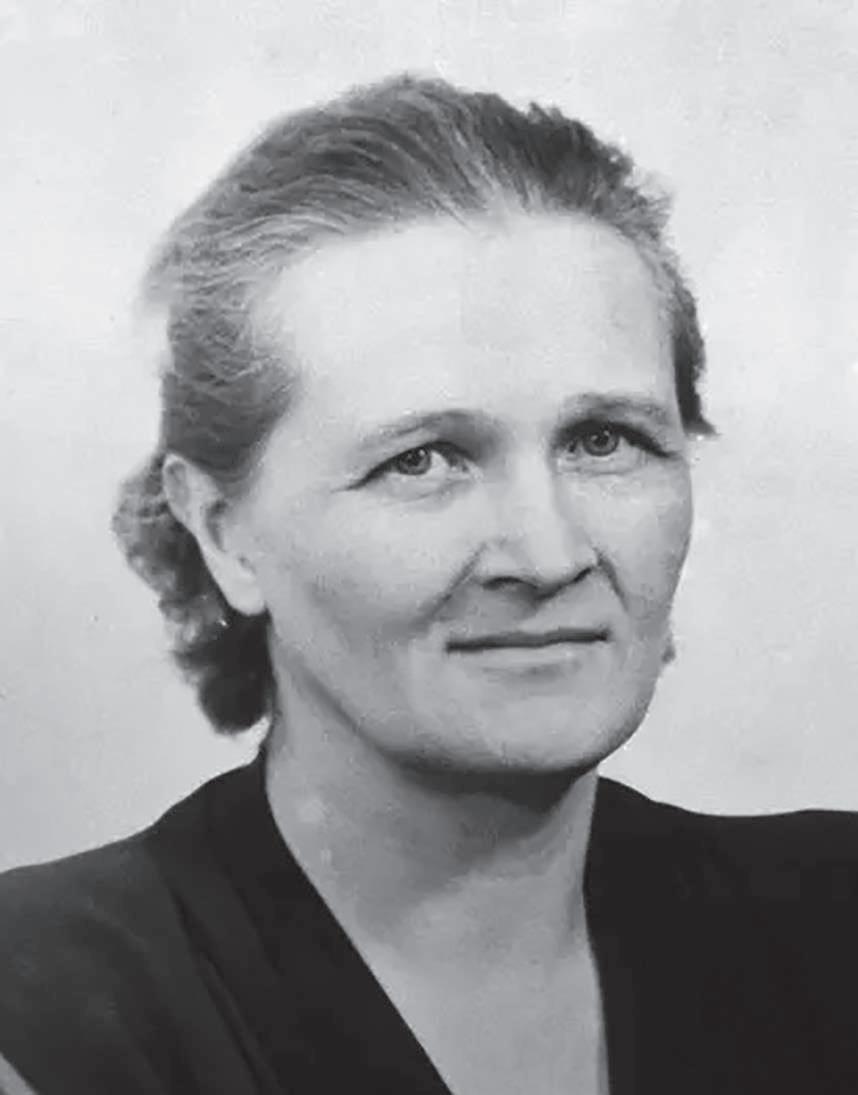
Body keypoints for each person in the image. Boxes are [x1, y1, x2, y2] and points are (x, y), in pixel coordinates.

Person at [0, 73, 856, 1095]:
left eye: (603, 439)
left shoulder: (833, 924)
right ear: (223, 532)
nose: (549, 554)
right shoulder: (47, 1010)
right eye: (422, 460)